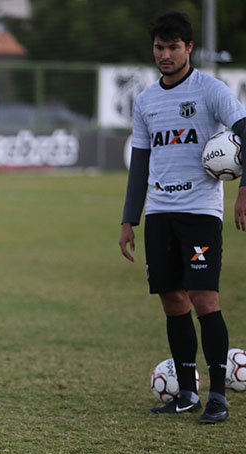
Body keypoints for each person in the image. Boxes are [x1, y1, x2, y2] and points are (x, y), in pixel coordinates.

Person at [118, 11, 246, 424]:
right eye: (160, 47)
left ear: (188, 48)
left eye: (174, 47)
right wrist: (128, 220)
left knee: (205, 300)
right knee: (173, 302)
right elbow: (140, 163)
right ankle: (186, 393)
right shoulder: (147, 101)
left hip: (200, 213)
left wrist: (243, 191)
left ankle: (217, 396)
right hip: (159, 213)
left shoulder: (210, 90)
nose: (166, 55)